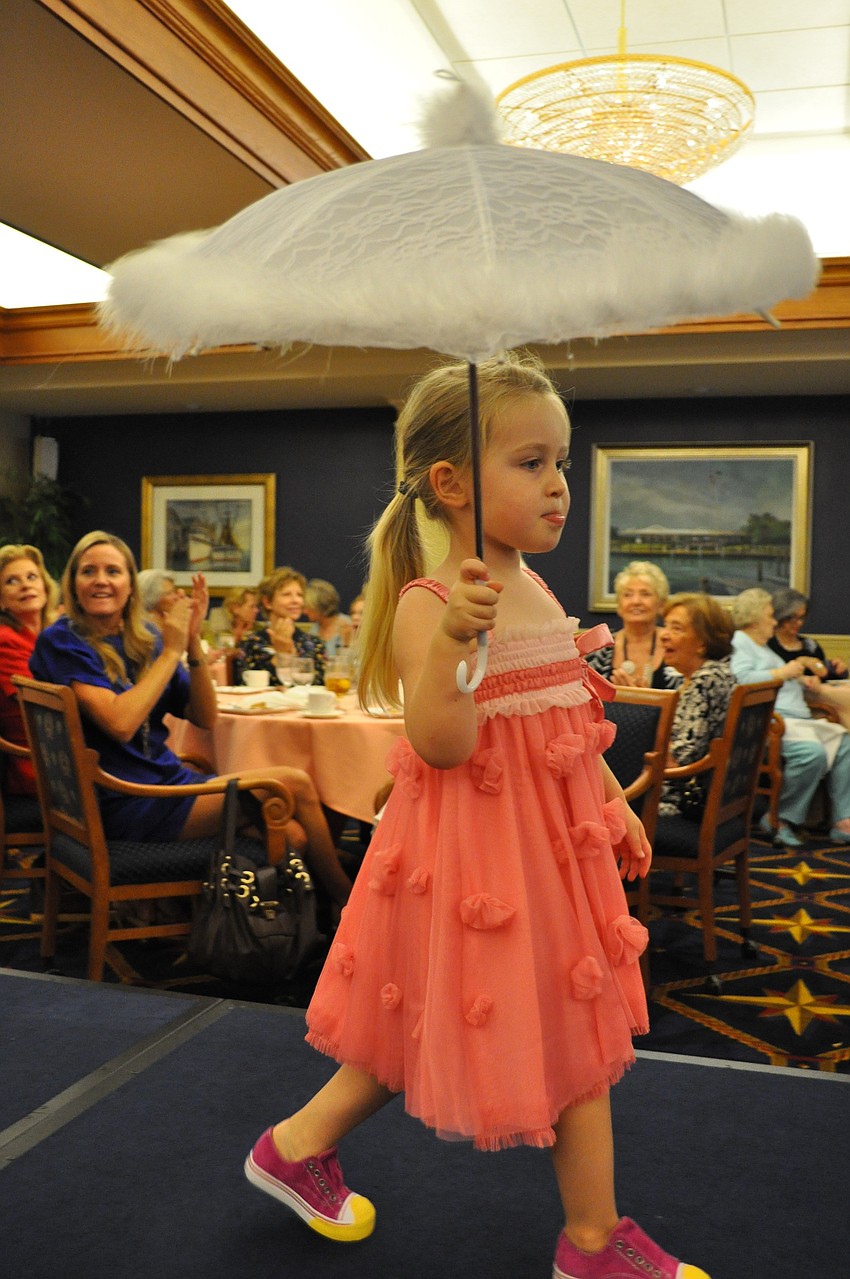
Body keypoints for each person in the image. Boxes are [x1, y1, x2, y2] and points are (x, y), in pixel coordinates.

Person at [242, 354, 710, 1279]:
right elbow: (444, 742)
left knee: (440, 1019)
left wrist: (613, 805)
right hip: (482, 860)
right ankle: (590, 1241)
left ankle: (296, 1145)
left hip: (549, 850)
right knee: (563, 1024)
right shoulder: (430, 603)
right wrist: (457, 638)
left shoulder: (533, 586)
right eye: (531, 462)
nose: (560, 486)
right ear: (451, 483)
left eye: (562, 462)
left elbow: (568, 722)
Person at [30, 532, 352, 910]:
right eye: (89, 571)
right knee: (292, 784)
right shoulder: (62, 641)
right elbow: (120, 723)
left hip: (167, 783)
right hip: (124, 801)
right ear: (73, 583)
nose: (101, 580)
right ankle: (347, 906)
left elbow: (204, 717)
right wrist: (171, 652)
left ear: (130, 585)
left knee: (293, 834)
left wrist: (193, 642)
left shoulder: (143, 636)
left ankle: (244, 937)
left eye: (113, 571)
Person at [730, 587, 850, 848]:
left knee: (845, 744)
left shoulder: (762, 648)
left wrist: (800, 678)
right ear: (754, 618)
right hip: (773, 724)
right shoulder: (740, 643)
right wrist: (785, 671)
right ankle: (779, 817)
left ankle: (843, 819)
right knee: (811, 754)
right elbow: (740, 680)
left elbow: (778, 676)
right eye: (770, 616)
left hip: (797, 720)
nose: (774, 622)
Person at [657, 593, 736, 818]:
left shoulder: (706, 681)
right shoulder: (717, 673)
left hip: (681, 800)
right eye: (665, 626)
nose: (664, 635)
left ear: (702, 643)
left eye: (676, 628)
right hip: (707, 796)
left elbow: (682, 757)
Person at [0, 543, 59, 794]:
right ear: (1, 601)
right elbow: (49, 704)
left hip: (68, 753)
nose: (25, 585)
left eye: (32, 577)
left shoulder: (50, 636)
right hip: (43, 766)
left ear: (45, 588)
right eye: (12, 581)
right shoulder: (4, 640)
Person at [586, 560, 679, 689]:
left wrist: (641, 699)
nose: (636, 601)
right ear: (619, 605)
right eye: (628, 595)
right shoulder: (598, 649)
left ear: (661, 604)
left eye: (645, 594)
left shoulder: (676, 645)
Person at [767, 587, 850, 732]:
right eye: (792, 618)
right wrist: (801, 662)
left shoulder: (810, 645)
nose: (798, 623)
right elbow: (772, 676)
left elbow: (824, 674)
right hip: (790, 701)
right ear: (780, 616)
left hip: (823, 701)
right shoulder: (768, 646)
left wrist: (838, 670)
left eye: (802, 618)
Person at [242, 566, 326, 685]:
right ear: (268, 602)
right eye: (286, 594)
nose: (296, 600)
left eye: (300, 595)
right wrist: (281, 654)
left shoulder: (315, 644)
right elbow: (245, 685)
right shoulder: (251, 642)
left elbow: (317, 686)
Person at [303, 578, 352, 658]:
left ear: (319, 606)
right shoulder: (314, 630)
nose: (304, 612)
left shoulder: (347, 625)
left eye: (308, 607)